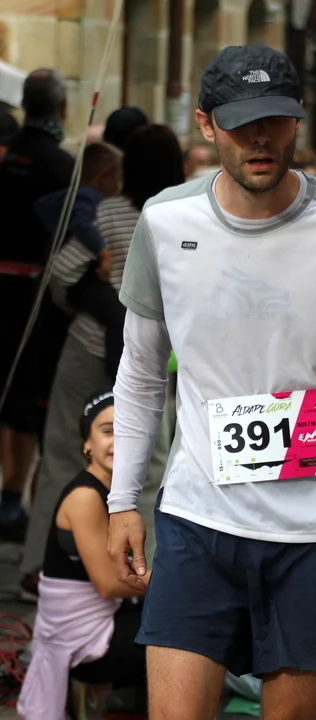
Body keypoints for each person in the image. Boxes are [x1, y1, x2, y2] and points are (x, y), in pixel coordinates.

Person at [108, 44, 316, 720]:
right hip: (197, 522)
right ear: (205, 124)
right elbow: (139, 373)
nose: (260, 137)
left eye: (275, 119)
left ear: (298, 118)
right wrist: (121, 500)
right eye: (240, 121)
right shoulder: (164, 221)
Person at [19, 124, 184, 597]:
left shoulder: (108, 212)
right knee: (151, 463)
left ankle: (39, 567)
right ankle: (144, 573)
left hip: (89, 348)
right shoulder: (181, 219)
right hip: (153, 359)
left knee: (63, 454)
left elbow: (60, 273)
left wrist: (87, 301)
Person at [17, 391, 148, 720]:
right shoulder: (86, 496)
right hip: (84, 641)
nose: (118, 441)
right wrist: (181, 583)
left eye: (127, 430)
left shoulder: (114, 491)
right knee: (184, 629)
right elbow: (109, 585)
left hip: (102, 621)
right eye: (108, 431)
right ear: (87, 443)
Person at [0, 69, 74, 543]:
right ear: (62, 107)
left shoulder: (5, 153)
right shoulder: (62, 165)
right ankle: (10, 500)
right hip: (32, 295)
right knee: (24, 398)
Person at [35, 142, 124, 381]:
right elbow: (81, 221)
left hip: (68, 281)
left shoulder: (74, 195)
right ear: (104, 176)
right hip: (77, 279)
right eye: (118, 179)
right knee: (118, 315)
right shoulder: (87, 197)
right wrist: (103, 252)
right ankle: (115, 378)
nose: (120, 187)